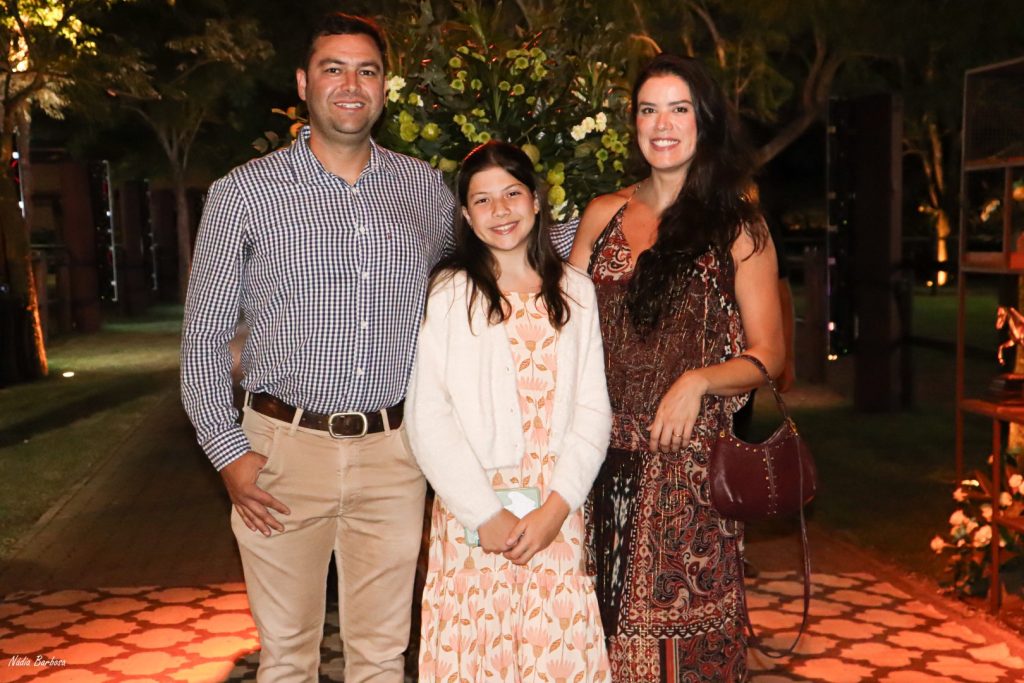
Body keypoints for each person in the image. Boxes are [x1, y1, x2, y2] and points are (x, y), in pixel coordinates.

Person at [180, 13, 456, 682]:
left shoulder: (422, 189)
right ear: (304, 84)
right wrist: (228, 454)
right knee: (287, 659)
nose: (351, 85)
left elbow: (492, 256)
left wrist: (609, 221)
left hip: (394, 456)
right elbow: (204, 338)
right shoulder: (243, 193)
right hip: (280, 455)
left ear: (384, 88)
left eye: (367, 71)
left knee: (382, 658)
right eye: (334, 69)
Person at [568, 54, 784, 681]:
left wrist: (699, 380)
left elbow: (770, 354)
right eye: (648, 109)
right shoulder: (602, 214)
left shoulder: (738, 228)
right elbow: (562, 333)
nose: (662, 124)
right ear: (633, 122)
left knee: (684, 655)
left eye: (679, 108)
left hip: (688, 476)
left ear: (704, 121)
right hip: (593, 461)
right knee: (589, 641)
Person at [406, 141, 612, 681]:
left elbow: (593, 411)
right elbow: (428, 415)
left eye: (512, 194)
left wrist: (556, 508)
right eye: (483, 200)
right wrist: (483, 513)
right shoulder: (449, 295)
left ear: (537, 201)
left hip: (555, 512)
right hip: (474, 514)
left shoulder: (577, 292)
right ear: (466, 216)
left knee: (554, 655)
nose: (500, 210)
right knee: (480, 657)